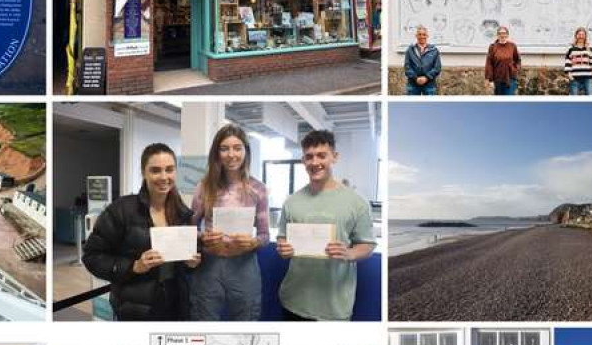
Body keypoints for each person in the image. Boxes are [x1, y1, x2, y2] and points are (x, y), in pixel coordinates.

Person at [83, 143, 201, 320]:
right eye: (155, 170)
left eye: (169, 169)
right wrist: (135, 267)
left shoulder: (183, 214)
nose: (164, 177)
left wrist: (191, 265)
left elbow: (183, 267)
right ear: (144, 173)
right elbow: (92, 257)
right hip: (135, 309)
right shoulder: (122, 210)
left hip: (175, 306)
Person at [275, 130, 376, 321]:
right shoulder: (291, 201)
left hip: (334, 308)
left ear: (334, 157)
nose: (315, 162)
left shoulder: (357, 202)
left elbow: (367, 244)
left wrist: (351, 253)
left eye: (322, 155)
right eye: (309, 157)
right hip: (292, 301)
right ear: (303, 160)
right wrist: (282, 247)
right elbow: (282, 236)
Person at [190, 125, 269, 320]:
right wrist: (203, 237)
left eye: (237, 148)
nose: (231, 154)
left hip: (244, 265)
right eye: (224, 148)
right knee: (203, 320)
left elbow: (265, 235)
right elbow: (189, 228)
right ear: (216, 153)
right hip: (209, 265)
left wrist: (254, 242)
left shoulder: (258, 189)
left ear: (245, 151)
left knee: (245, 323)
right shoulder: (204, 186)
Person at [404, 26, 442, 95]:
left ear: (427, 36)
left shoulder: (433, 50)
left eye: (424, 34)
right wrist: (415, 78)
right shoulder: (410, 50)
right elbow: (407, 67)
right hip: (413, 83)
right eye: (419, 34)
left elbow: (437, 67)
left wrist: (426, 77)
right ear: (416, 36)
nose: (422, 37)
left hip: (429, 83)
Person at [485, 25, 522, 95]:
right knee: (499, 102)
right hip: (497, 79)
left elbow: (518, 60)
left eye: (504, 33)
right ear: (497, 35)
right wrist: (490, 80)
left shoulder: (512, 46)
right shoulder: (493, 47)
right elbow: (489, 64)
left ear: (507, 35)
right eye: (500, 33)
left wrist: (515, 69)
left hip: (510, 78)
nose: (502, 35)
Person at [564, 27, 592, 95]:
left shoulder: (590, 49)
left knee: (590, 99)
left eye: (583, 35)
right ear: (576, 36)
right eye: (579, 34)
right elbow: (567, 63)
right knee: (574, 101)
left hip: (588, 78)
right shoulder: (571, 49)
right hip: (575, 79)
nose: (581, 37)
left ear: (585, 36)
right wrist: (569, 75)